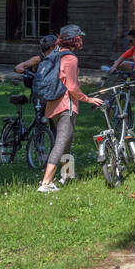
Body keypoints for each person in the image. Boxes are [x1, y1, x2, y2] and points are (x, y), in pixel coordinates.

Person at [38, 25, 105, 192]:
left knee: (66, 141)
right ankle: (46, 183)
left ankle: (67, 175)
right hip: (66, 105)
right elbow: (73, 87)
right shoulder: (71, 59)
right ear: (76, 40)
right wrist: (88, 99)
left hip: (52, 104)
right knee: (60, 144)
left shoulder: (55, 54)